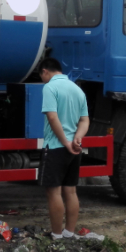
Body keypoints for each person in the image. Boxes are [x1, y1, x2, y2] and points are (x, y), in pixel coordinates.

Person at [38, 57, 89, 239]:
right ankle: (69, 232)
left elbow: (52, 117)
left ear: (45, 71)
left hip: (55, 147)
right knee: (71, 190)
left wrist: (65, 142)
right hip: (75, 149)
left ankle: (57, 234)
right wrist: (77, 138)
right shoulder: (77, 89)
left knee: (53, 192)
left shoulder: (50, 87)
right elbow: (84, 120)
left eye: (41, 75)